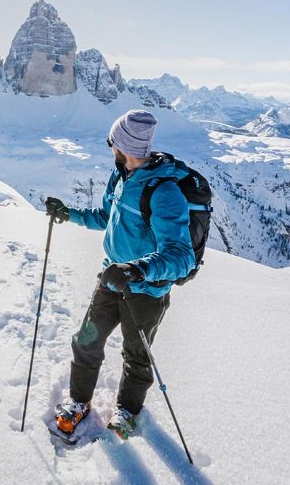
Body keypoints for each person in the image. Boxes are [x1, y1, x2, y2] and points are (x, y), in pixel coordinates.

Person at [45, 109, 195, 438]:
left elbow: (182, 256)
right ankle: (78, 402)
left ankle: (127, 411)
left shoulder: (164, 192)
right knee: (86, 341)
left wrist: (136, 268)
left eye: (112, 141)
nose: (110, 147)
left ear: (123, 145)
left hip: (146, 291)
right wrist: (68, 214)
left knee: (136, 355)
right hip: (111, 278)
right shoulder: (121, 176)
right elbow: (104, 216)